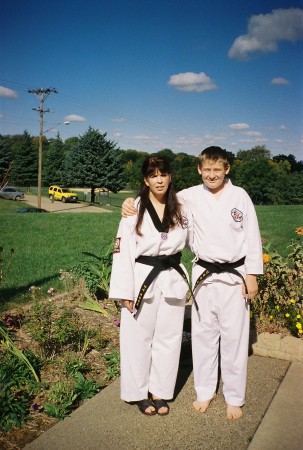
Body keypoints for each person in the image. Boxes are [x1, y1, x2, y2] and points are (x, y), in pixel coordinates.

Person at [122, 146, 263, 420]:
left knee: (235, 338)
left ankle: (234, 397)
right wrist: (130, 201)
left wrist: (252, 275)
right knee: (203, 337)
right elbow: (157, 198)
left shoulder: (240, 197)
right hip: (203, 275)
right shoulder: (188, 197)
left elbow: (252, 236)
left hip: (235, 275)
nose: (212, 175)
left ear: (227, 170)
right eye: (206, 170)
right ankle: (205, 391)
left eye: (217, 170)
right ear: (199, 170)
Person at [109, 155, 192, 416]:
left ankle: (160, 391)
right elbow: (122, 249)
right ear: (145, 180)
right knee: (137, 339)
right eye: (153, 175)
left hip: (172, 278)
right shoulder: (134, 207)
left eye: (163, 174)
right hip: (141, 278)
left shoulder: (182, 206)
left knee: (169, 339)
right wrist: (124, 291)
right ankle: (138, 393)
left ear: (170, 177)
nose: (159, 179)